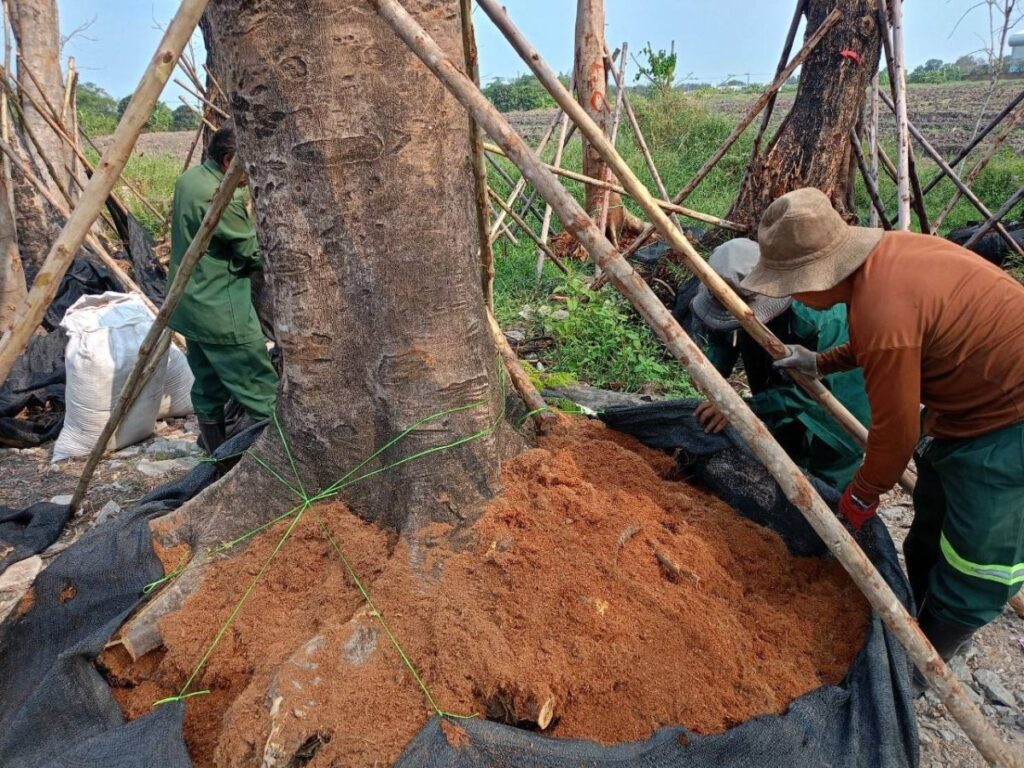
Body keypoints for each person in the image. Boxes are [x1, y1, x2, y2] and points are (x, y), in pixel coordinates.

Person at [744, 186, 1024, 666]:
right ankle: (919, 614)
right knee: (931, 522)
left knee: (977, 559)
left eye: (792, 286)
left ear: (818, 276)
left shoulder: (881, 307)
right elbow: (899, 338)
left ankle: (931, 661)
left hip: (1007, 423)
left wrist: (861, 493)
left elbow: (896, 435)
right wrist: (821, 362)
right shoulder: (889, 258)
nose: (794, 297)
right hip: (963, 407)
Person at [689, 238, 870, 489]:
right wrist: (711, 371)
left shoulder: (816, 317)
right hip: (778, 387)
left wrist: (742, 409)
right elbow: (724, 335)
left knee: (827, 482)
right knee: (784, 469)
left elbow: (814, 388)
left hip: (837, 401)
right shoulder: (731, 292)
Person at [169, 126, 278, 453]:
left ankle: (217, 460)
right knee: (260, 388)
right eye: (247, 168)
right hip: (221, 307)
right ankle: (285, 472)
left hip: (189, 303)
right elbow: (249, 252)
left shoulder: (190, 179)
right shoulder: (218, 194)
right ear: (230, 160)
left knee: (207, 386)